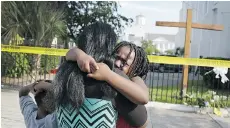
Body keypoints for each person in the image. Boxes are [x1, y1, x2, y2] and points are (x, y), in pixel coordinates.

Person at [66, 41, 149, 128]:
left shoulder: (134, 78)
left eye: (124, 62)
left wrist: (108, 75)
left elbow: (144, 97)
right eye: (116, 57)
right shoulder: (103, 68)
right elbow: (69, 53)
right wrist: (81, 55)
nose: (117, 63)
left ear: (135, 69)